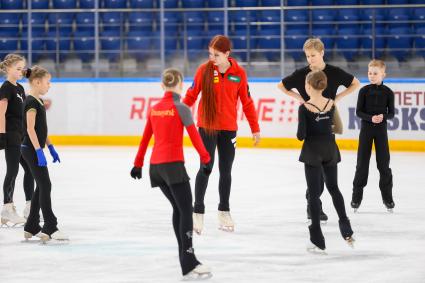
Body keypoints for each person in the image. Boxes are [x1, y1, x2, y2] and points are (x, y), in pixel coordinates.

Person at [131, 68, 212, 280]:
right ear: (180, 85)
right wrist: (206, 159)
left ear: (162, 85)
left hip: (156, 167)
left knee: (179, 208)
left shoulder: (155, 109)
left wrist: (138, 164)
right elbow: (195, 137)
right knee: (186, 210)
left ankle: (186, 259)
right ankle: (188, 261)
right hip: (173, 165)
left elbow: (145, 138)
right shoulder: (182, 108)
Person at [183, 35, 261, 234]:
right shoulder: (204, 70)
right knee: (206, 168)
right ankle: (197, 212)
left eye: (216, 55)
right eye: (210, 54)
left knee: (226, 171)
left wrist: (255, 128)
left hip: (228, 129)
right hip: (207, 127)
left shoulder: (239, 74)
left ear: (227, 54)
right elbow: (191, 95)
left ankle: (224, 211)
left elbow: (247, 102)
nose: (212, 58)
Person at [278, 38, 360, 222]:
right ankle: (313, 204)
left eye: (313, 55)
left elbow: (355, 83)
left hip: (328, 120)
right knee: (315, 169)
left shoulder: (334, 72)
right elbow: (281, 85)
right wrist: (300, 99)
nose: (310, 60)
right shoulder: (302, 74)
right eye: (307, 56)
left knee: (327, 165)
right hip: (310, 120)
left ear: (322, 53)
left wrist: (336, 99)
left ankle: (314, 202)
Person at [297, 70, 354, 252]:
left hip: (313, 152)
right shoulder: (331, 104)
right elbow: (338, 128)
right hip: (330, 149)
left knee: (314, 195)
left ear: (307, 86)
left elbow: (301, 135)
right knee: (334, 188)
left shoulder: (304, 107)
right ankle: (346, 228)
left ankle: (317, 238)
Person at [21, 66, 68, 242]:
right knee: (45, 185)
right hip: (30, 150)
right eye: (48, 82)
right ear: (37, 82)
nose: (49, 86)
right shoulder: (31, 102)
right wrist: (39, 152)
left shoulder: (38, 100)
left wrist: (50, 146)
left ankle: (32, 225)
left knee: (41, 186)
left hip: (34, 149)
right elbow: (30, 129)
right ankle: (50, 226)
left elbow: (41, 130)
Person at [351, 60, 395, 212]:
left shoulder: (388, 92)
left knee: (383, 165)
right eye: (370, 73)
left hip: (381, 132)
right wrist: (370, 118)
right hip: (366, 131)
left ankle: (388, 199)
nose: (372, 76)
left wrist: (383, 116)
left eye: (375, 73)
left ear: (383, 74)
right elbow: (358, 112)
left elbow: (392, 113)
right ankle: (356, 199)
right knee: (362, 164)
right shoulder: (363, 91)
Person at [0, 54, 34, 226]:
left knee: (29, 169)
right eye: (18, 68)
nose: (21, 71)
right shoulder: (5, 88)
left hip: (21, 135)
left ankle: (29, 206)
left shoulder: (20, 88)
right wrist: (2, 135)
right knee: (12, 171)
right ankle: (7, 209)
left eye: (22, 69)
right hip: (11, 135)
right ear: (8, 69)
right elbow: (1, 113)